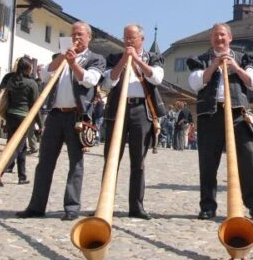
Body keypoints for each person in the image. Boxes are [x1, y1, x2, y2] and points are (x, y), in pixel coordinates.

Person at [16, 22, 106, 221]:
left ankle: (72, 207)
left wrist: (73, 63)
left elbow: (89, 80)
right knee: (44, 162)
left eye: (80, 34)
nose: (76, 37)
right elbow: (45, 75)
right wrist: (62, 58)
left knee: (75, 163)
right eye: (73, 34)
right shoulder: (60, 57)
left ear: (89, 37)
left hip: (77, 116)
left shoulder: (95, 59)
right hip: (55, 115)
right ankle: (36, 206)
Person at [188, 23, 253, 220]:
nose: (219, 39)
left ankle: (252, 203)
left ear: (230, 38)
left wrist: (235, 67)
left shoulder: (242, 57)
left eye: (222, 36)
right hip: (210, 116)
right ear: (211, 39)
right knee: (208, 163)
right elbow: (196, 83)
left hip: (238, 115)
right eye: (215, 36)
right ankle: (207, 206)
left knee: (247, 160)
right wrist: (214, 65)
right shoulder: (202, 59)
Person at [101, 24, 165, 220]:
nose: (128, 41)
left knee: (138, 161)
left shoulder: (153, 58)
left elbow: (157, 79)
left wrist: (136, 59)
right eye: (126, 38)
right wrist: (123, 61)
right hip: (116, 109)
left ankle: (136, 206)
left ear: (141, 40)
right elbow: (107, 83)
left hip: (141, 110)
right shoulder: (114, 58)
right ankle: (105, 204)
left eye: (132, 38)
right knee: (111, 159)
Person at [0, 57, 39, 187]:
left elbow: (4, 95)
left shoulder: (10, 80)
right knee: (17, 147)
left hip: (10, 116)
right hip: (23, 118)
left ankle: (22, 176)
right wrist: (40, 125)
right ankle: (0, 171)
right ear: (27, 68)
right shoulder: (31, 84)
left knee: (19, 146)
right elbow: (35, 105)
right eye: (31, 68)